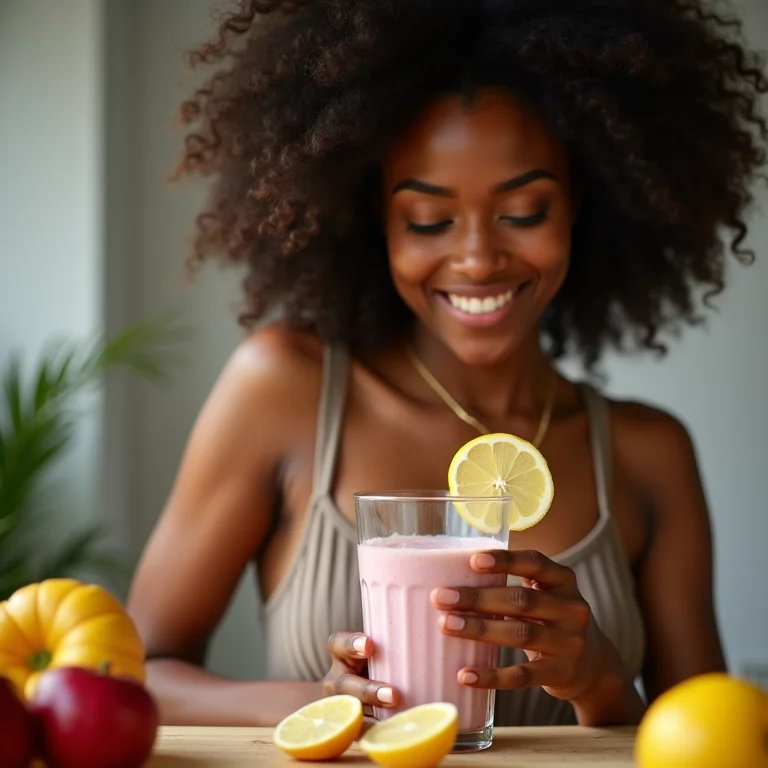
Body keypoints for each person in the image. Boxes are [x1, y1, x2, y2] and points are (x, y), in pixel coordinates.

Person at [126, 0, 767, 728]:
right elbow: (134, 673)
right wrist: (322, 702)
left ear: (580, 204)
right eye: (429, 220)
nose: (477, 259)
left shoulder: (649, 455)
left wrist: (600, 684)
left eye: (524, 210)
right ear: (377, 215)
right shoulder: (284, 390)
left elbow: (716, 734)